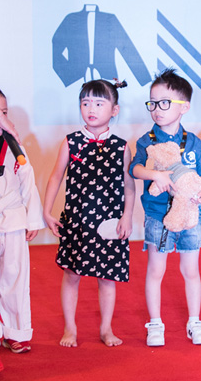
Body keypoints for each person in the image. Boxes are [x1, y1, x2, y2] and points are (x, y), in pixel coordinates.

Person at [43, 79, 134, 347]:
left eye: (99, 103)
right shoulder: (71, 142)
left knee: (107, 277)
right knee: (72, 274)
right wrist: (46, 212)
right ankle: (70, 328)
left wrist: (127, 216)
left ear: (114, 110)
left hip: (109, 224)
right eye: (85, 103)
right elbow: (55, 177)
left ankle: (106, 329)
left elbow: (129, 185)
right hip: (77, 222)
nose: (91, 109)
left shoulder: (121, 146)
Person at [131, 69, 201, 346]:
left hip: (191, 215)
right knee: (156, 271)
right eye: (152, 103)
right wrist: (156, 175)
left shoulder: (193, 141)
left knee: (191, 271)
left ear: (184, 107)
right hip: (158, 216)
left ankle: (195, 321)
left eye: (164, 103)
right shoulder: (147, 141)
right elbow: (135, 169)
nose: (157, 109)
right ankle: (155, 323)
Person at [0, 85, 43, 362]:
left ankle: (17, 332)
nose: (0, 120)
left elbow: (27, 182)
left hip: (13, 220)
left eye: (4, 113)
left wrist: (32, 218)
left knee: (15, 277)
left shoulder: (14, 146)